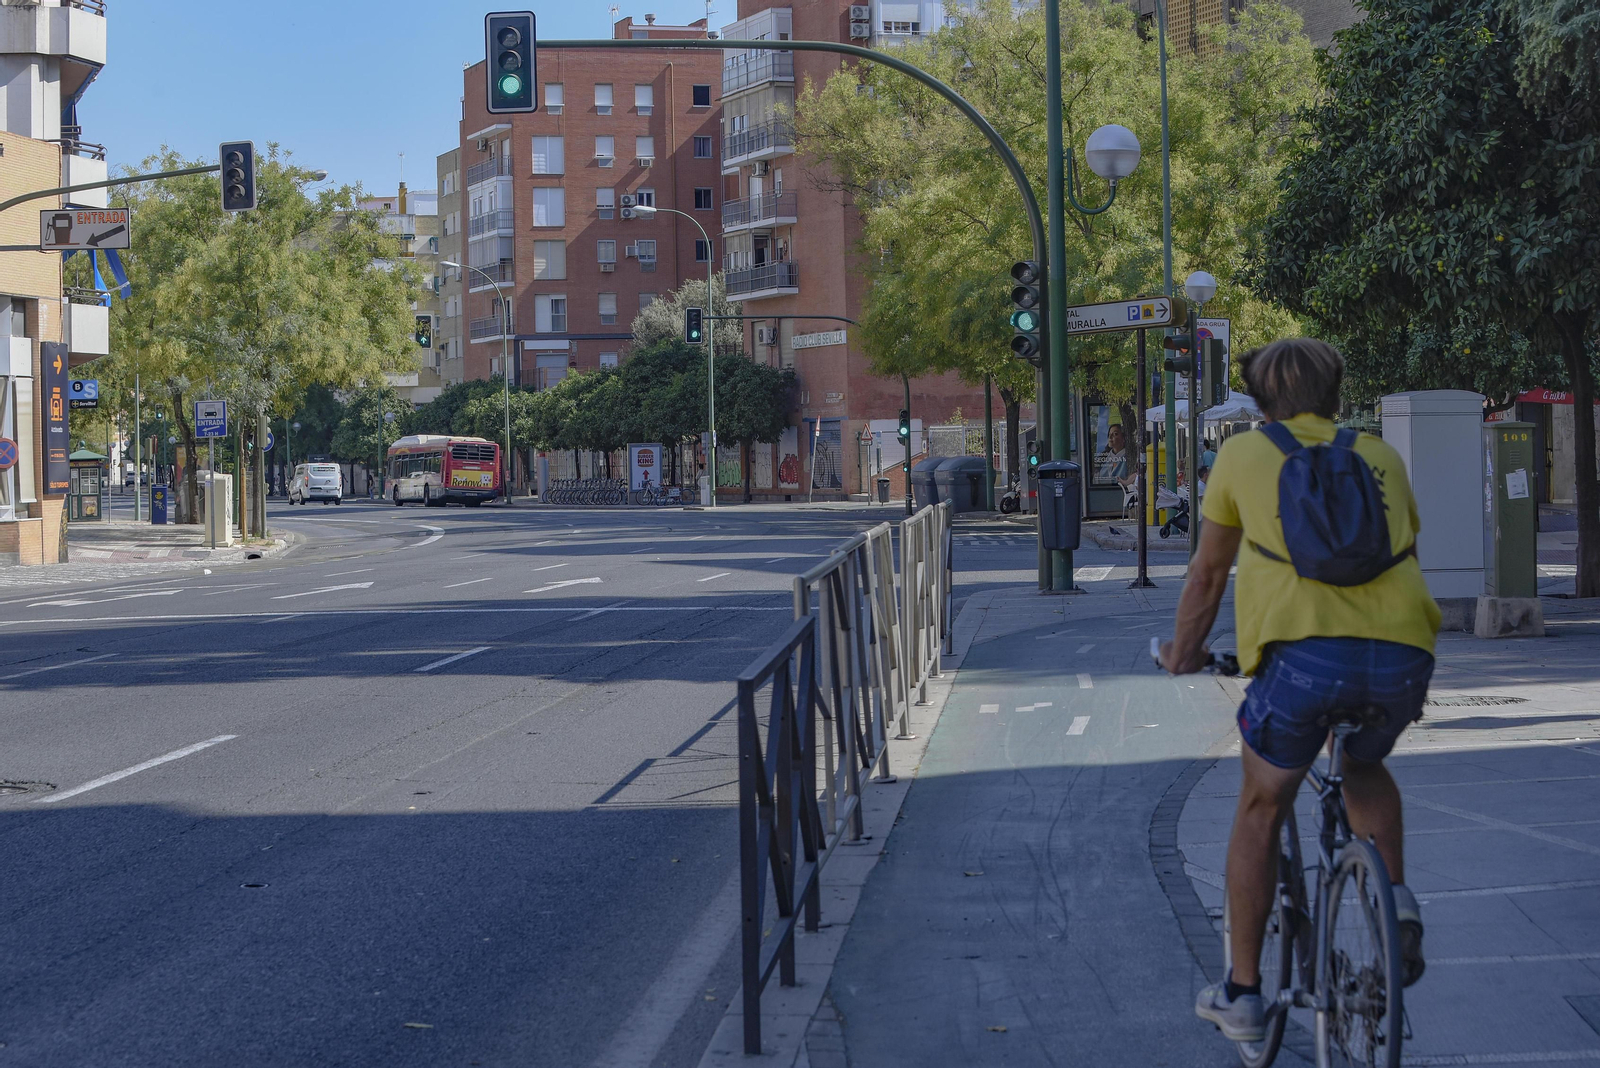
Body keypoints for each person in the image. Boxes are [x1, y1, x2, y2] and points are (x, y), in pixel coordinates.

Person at [1158, 338, 1440, 1042]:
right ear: (1336, 391)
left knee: (1261, 803)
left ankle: (1243, 993)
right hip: (1404, 653)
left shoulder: (1243, 456)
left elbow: (1206, 574)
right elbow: (1406, 548)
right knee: (1365, 763)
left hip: (1304, 662)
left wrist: (1184, 654)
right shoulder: (1379, 455)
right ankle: (1394, 901)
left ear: (1259, 399)